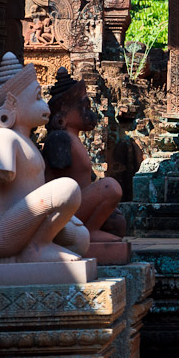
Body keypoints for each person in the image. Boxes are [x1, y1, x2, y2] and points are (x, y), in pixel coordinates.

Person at [0, 53, 89, 263]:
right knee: (68, 189)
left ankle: (28, 251)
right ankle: (36, 248)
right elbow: (1, 173)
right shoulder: (2, 136)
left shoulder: (27, 142)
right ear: (11, 103)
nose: (44, 105)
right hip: (0, 231)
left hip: (26, 223)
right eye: (37, 98)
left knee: (80, 239)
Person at [43, 67, 125, 243]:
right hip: (62, 214)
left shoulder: (72, 138)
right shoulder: (58, 139)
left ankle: (88, 231)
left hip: (76, 208)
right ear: (62, 116)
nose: (88, 112)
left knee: (117, 223)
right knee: (110, 187)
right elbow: (59, 187)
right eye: (84, 106)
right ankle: (89, 232)